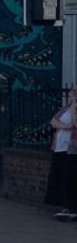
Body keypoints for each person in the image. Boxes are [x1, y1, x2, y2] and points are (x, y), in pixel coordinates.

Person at [46, 86, 77, 220]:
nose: (74, 93)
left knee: (70, 178)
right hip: (59, 147)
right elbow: (53, 121)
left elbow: (75, 124)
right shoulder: (65, 108)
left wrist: (75, 107)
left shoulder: (74, 108)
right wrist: (65, 126)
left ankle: (72, 207)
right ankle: (65, 206)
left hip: (72, 149)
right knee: (60, 177)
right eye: (73, 91)